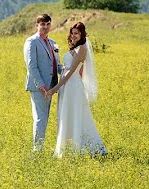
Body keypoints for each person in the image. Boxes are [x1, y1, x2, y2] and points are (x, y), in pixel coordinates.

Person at [46, 22, 106, 156]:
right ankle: (66, 148)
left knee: (76, 115)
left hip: (72, 87)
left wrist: (55, 88)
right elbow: (75, 69)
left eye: (76, 33)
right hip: (67, 86)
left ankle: (85, 148)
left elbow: (72, 71)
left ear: (82, 34)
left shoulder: (82, 48)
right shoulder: (76, 47)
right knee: (66, 115)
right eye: (72, 33)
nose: (73, 35)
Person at [23, 14, 63, 151]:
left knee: (44, 119)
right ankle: (37, 152)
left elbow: (57, 64)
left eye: (47, 24)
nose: (45, 27)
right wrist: (41, 85)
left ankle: (39, 149)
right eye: (42, 25)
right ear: (37, 25)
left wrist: (69, 71)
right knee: (40, 119)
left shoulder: (53, 43)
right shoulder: (31, 41)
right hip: (39, 87)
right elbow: (31, 66)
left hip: (51, 86)